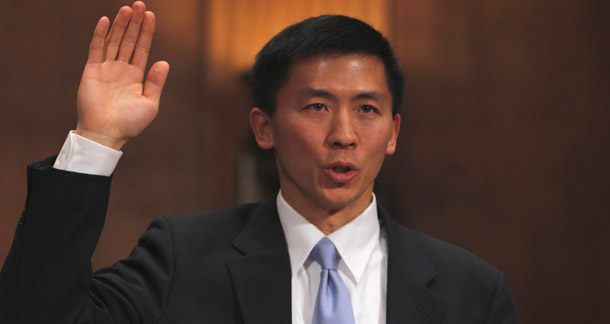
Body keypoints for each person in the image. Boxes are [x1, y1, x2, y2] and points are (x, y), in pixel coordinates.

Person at [0, 1, 517, 323]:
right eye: (317, 107)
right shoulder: (181, 258)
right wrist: (97, 138)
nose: (344, 135)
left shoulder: (470, 290)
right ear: (263, 128)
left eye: (367, 110)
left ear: (392, 133)